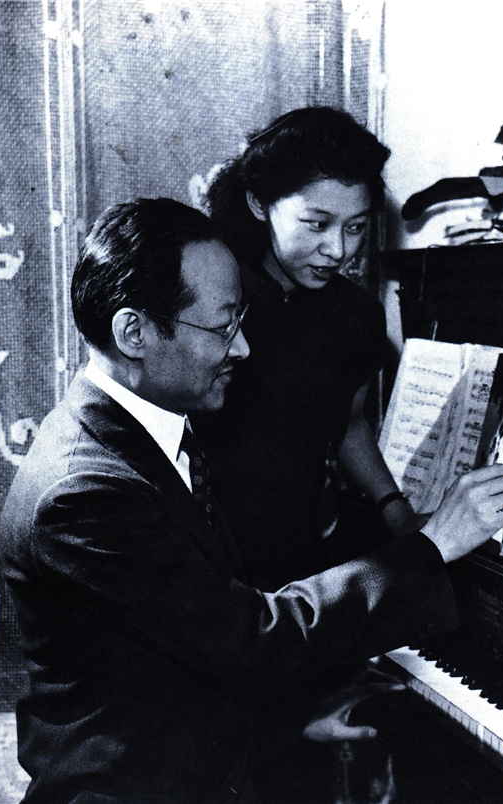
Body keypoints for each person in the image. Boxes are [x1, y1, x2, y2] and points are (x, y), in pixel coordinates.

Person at [0, 197, 503, 804]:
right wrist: (432, 546)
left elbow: (168, 663)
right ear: (134, 333)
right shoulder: (85, 492)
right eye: (223, 327)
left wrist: (290, 723)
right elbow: (250, 639)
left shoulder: (136, 434)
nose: (243, 347)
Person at [199, 106, 423, 592]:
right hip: (213, 558)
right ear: (259, 203)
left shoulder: (357, 315)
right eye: (317, 224)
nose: (338, 251)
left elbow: (349, 423)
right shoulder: (211, 301)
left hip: (306, 556)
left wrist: (396, 511)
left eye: (355, 227)